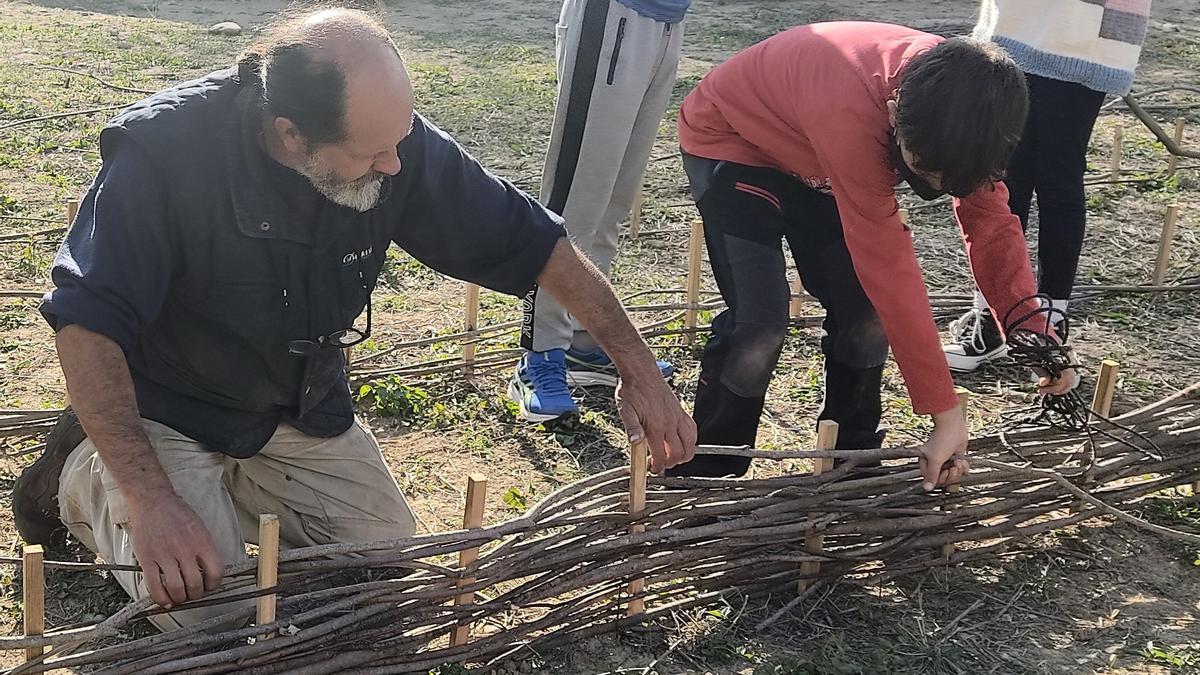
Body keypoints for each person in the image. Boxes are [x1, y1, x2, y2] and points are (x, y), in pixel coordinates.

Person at [12, 7, 696, 631]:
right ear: (290, 135)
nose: (394, 164)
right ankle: (87, 475)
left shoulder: (397, 144)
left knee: (394, 562)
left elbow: (539, 244)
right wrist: (151, 500)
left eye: (398, 142)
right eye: (371, 155)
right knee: (214, 618)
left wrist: (637, 369)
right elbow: (85, 325)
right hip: (164, 405)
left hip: (290, 402)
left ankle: (222, 490)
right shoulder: (163, 154)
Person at [667, 22, 1078, 484]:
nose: (932, 188)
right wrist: (945, 413)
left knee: (864, 315)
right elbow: (888, 267)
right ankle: (707, 475)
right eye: (920, 169)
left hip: (817, 158)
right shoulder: (856, 114)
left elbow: (993, 227)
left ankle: (853, 463)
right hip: (736, 142)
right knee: (759, 325)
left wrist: (1033, 335)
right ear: (893, 112)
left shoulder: (971, 114)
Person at [944, 0, 1152, 370]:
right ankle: (996, 318)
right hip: (1023, 26)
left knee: (1057, 179)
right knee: (1007, 176)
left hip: (1080, 34)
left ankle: (1045, 325)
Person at [510, 0, 690, 422]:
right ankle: (541, 356)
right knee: (575, 201)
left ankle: (585, 343)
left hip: (668, 21)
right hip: (614, 16)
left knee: (614, 200)